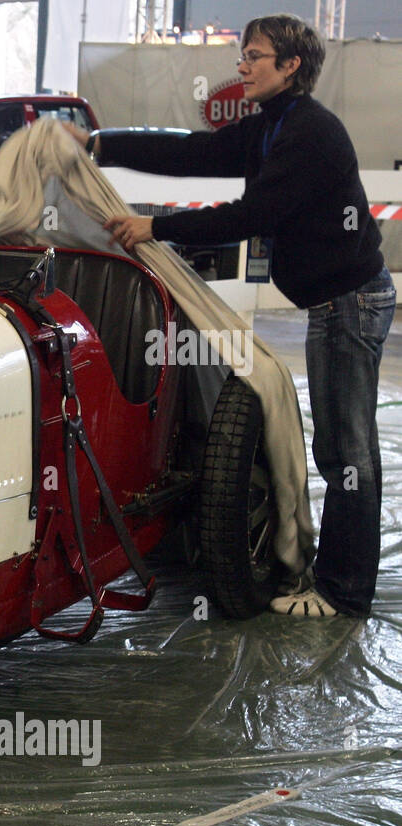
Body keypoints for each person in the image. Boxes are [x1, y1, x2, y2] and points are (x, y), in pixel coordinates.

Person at [66, 13, 395, 618]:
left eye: (255, 56)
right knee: (342, 448)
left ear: (290, 66)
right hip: (334, 302)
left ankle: (343, 592)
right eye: (243, 55)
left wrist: (154, 228)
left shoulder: (309, 133)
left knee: (348, 453)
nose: (241, 66)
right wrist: (100, 144)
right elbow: (196, 151)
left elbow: (251, 215)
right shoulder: (274, 125)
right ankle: (339, 577)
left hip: (349, 303)